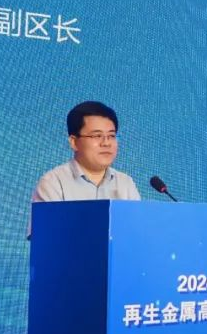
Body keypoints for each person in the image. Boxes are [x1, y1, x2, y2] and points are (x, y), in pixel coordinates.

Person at [28, 101, 140, 237]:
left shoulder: (126, 183)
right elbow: (46, 239)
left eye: (111, 136)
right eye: (97, 136)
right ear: (74, 142)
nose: (106, 143)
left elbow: (137, 234)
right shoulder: (53, 183)